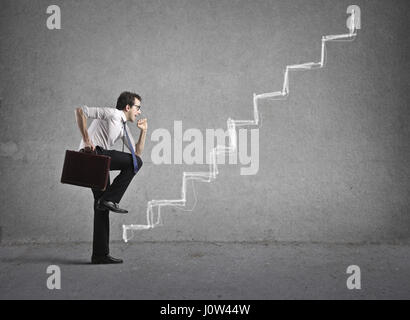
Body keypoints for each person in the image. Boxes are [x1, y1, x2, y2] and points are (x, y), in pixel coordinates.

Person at [75, 91, 147, 264]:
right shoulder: (113, 113)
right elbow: (80, 111)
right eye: (138, 108)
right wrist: (86, 140)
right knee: (134, 164)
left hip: (98, 165)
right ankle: (110, 199)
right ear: (128, 107)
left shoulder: (122, 127)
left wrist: (144, 131)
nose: (139, 112)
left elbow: (136, 153)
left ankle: (100, 254)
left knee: (101, 207)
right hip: (92, 156)